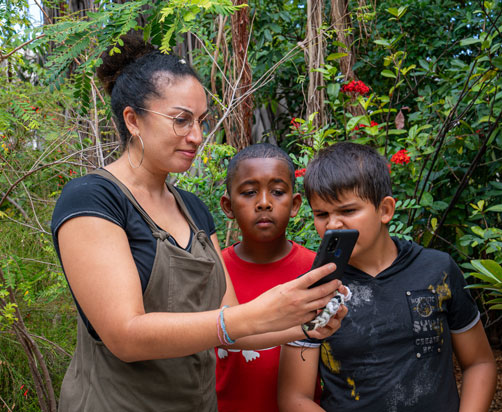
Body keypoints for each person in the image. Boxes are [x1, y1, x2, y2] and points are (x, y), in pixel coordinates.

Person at [50, 35, 347, 412]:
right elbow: (125, 336)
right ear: (132, 120)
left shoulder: (191, 209)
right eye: (181, 120)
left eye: (201, 121)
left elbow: (232, 332)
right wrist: (255, 313)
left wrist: (304, 328)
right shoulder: (93, 199)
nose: (197, 136)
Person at [278, 142, 497, 412]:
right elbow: (294, 397)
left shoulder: (437, 270)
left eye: (348, 211)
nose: (333, 225)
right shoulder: (315, 290)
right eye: (321, 214)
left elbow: (479, 363)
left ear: (385, 210)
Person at [215, 143, 318, 412]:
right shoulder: (211, 271)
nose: (263, 202)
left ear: (295, 204)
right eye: (249, 192)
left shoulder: (317, 270)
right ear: (227, 206)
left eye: (277, 192)